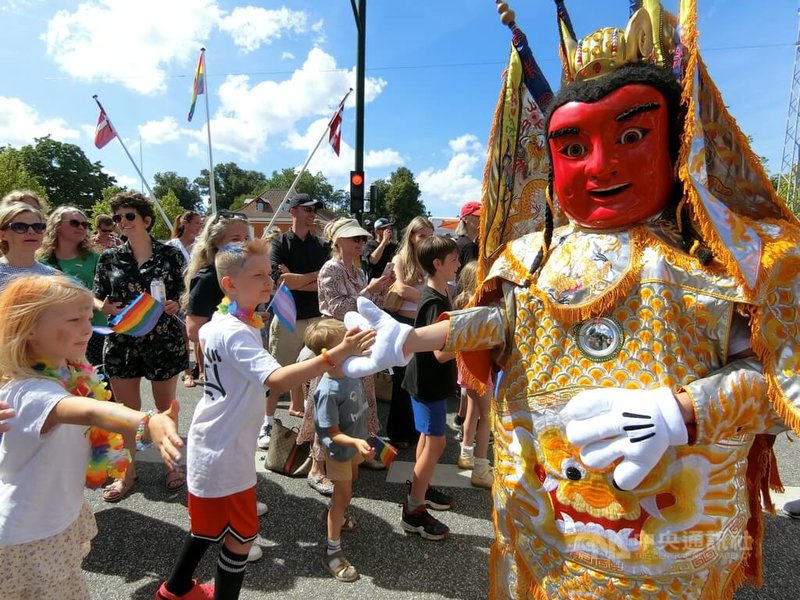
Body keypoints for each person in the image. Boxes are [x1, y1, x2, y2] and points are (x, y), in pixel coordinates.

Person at [342, 2, 800, 597]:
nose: (601, 165)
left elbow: (778, 383)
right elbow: (503, 323)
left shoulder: (735, 260)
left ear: (679, 139)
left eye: (632, 135)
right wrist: (415, 338)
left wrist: (684, 411)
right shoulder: (531, 255)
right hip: (542, 533)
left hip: (666, 554)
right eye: (574, 147)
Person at [156, 239, 375, 600]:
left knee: (207, 528)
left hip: (216, 441)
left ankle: (174, 590)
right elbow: (276, 380)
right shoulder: (235, 331)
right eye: (257, 275)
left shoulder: (219, 322)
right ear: (229, 285)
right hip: (225, 449)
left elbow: (206, 339)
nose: (268, 280)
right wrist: (337, 353)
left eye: (269, 273)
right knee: (241, 536)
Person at [0, 274, 182, 600]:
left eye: (88, 316)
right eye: (73, 319)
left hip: (53, 515)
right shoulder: (32, 390)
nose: (87, 328)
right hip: (30, 533)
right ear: (27, 328)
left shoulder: (67, 373)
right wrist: (147, 422)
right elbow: (91, 412)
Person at [93, 191, 188, 502]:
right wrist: (103, 307)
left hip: (162, 339)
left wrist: (176, 304)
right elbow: (98, 295)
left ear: (146, 220)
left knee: (166, 409)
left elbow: (181, 293)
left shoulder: (171, 255)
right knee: (125, 413)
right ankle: (127, 473)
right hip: (122, 341)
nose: (122, 222)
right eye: (118, 217)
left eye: (129, 216)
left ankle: (171, 464)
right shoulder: (109, 258)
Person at [300, 217, 393, 495]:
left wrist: (380, 289)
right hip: (336, 342)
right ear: (338, 241)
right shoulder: (331, 269)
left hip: (355, 342)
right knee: (330, 404)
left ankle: (358, 452)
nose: (360, 243)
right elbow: (338, 307)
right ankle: (317, 467)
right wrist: (370, 291)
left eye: (363, 239)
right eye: (355, 239)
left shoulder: (358, 270)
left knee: (357, 402)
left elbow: (366, 307)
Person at [305, 318, 375, 582]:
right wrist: (356, 442)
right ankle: (332, 549)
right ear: (330, 357)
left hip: (355, 445)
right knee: (341, 497)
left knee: (350, 486)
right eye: (347, 344)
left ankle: (335, 515)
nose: (354, 347)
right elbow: (330, 433)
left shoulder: (350, 372)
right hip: (340, 450)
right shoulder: (327, 390)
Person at [400, 235, 460, 540]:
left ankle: (419, 487)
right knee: (435, 443)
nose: (459, 264)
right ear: (437, 264)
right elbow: (439, 352)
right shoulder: (432, 300)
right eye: (453, 260)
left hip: (429, 381)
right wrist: (470, 342)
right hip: (427, 383)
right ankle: (414, 510)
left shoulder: (440, 291)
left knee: (428, 440)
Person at [263, 193, 330, 446]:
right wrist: (312, 277)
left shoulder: (321, 246)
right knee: (277, 374)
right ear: (293, 212)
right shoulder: (279, 244)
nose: (313, 213)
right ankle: (267, 423)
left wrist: (297, 279)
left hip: (315, 317)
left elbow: (323, 285)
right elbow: (279, 282)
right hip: (287, 317)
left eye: (315, 209)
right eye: (307, 209)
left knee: (313, 372)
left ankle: (309, 422)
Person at [182, 211, 250, 388]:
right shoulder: (207, 278)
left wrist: (250, 316)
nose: (243, 244)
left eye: (246, 238)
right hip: (221, 364)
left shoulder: (242, 274)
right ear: (217, 242)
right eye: (235, 238)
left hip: (242, 358)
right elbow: (193, 331)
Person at [384, 216, 434, 448]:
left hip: (425, 325)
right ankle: (397, 431)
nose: (426, 239)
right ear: (412, 237)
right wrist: (431, 298)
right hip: (403, 325)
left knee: (421, 381)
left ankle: (416, 430)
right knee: (402, 381)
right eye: (421, 235)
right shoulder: (400, 258)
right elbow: (402, 288)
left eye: (429, 235)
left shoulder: (433, 258)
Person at [37, 206, 108, 367]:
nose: (81, 227)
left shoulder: (96, 258)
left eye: (84, 224)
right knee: (61, 378)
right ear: (57, 226)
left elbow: (106, 291)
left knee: (99, 382)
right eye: (75, 223)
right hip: (56, 331)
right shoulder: (40, 261)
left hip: (94, 328)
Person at [452, 261, 492, 489]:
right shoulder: (480, 304)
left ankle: (466, 453)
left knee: (472, 413)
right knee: (486, 417)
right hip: (479, 366)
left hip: (465, 366)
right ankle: (480, 466)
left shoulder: (460, 302)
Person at [167, 210, 203, 388]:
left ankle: (202, 370)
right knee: (183, 335)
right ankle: (187, 372)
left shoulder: (200, 246)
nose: (200, 227)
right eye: (197, 223)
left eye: (201, 224)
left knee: (199, 333)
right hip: (178, 296)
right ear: (185, 223)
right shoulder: (172, 246)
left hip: (196, 294)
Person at [0, 202, 56, 289]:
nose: (31, 231)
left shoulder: (53, 276)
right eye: (20, 227)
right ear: (2, 235)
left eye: (38, 227)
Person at [361, 217, 396, 281]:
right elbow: (373, 260)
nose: (388, 231)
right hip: (375, 284)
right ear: (376, 230)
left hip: (391, 284)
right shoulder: (370, 245)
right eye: (384, 228)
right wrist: (384, 242)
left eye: (390, 228)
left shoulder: (394, 247)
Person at [454, 201, 480, 274]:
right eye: (478, 216)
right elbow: (472, 276)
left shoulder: (462, 241)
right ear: (465, 219)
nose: (482, 219)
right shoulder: (469, 246)